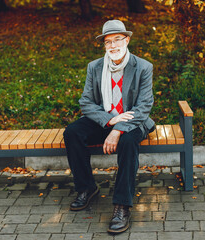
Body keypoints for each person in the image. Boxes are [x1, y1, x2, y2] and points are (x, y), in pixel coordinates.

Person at [63, 19, 155, 234]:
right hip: (106, 118)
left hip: (133, 122)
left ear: (127, 40)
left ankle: (122, 205)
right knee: (72, 133)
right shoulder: (94, 67)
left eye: (117, 40)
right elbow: (86, 102)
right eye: (108, 42)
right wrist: (108, 120)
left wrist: (117, 129)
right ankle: (87, 188)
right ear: (104, 45)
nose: (113, 46)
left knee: (129, 142)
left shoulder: (143, 67)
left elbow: (144, 106)